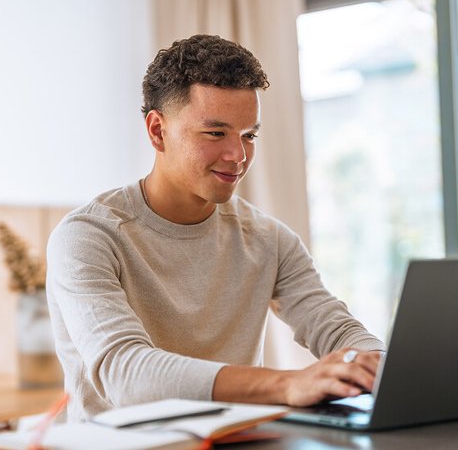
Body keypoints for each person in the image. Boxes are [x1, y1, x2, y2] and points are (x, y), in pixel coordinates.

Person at [46, 34, 385, 422]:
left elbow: (337, 330)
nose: (238, 156)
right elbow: (126, 376)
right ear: (158, 131)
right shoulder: (88, 237)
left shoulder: (269, 240)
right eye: (215, 133)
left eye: (249, 135)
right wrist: (286, 384)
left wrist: (377, 365)